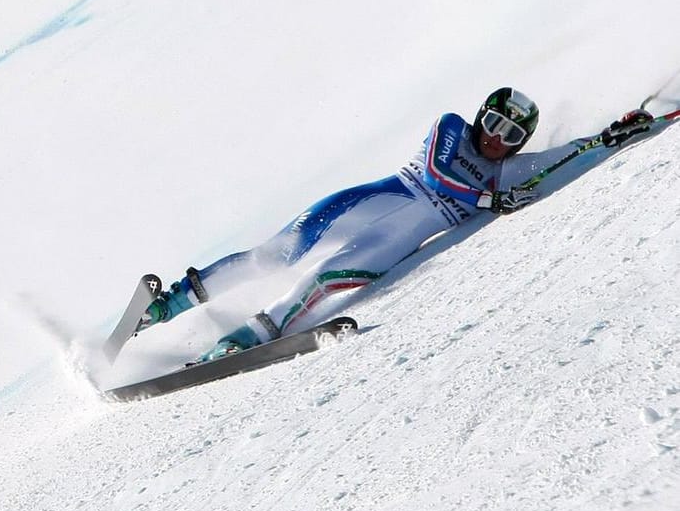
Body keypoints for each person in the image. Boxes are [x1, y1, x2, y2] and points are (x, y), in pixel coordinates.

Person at [126, 88, 656, 362]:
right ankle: (168, 305)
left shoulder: (507, 170)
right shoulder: (451, 128)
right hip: (373, 201)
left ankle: (242, 341)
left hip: (395, 240)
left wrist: (615, 134)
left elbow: (567, 157)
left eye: (511, 135)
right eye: (494, 124)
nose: (497, 140)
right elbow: (435, 172)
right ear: (479, 116)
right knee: (280, 253)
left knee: (323, 281)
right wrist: (486, 198)